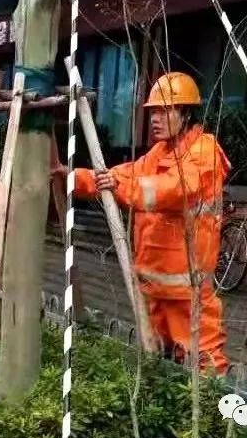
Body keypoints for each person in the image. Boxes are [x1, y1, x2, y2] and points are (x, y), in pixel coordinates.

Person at [56, 72, 230, 374]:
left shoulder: (204, 152)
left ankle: (214, 405)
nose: (155, 119)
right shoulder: (160, 153)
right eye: (153, 112)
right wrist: (71, 177)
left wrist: (119, 186)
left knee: (204, 365)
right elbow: (119, 175)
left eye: (164, 111)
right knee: (161, 361)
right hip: (154, 284)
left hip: (186, 289)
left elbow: (170, 190)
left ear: (186, 113)